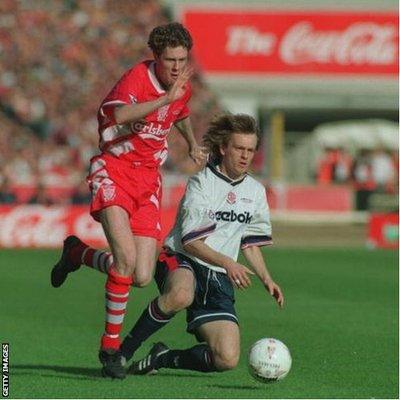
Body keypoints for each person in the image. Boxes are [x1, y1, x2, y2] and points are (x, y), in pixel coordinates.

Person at [52, 113, 283, 377]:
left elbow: (250, 243)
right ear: (223, 148)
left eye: (251, 150)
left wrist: (267, 279)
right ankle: (123, 353)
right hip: (182, 259)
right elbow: (192, 242)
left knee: (226, 358)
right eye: (239, 148)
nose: (245, 156)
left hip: (219, 280)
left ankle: (162, 358)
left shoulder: (255, 192)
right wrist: (229, 262)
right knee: (181, 294)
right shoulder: (202, 184)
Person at [50, 22, 206, 379]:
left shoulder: (180, 87)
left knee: (139, 275)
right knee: (124, 258)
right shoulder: (137, 78)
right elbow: (118, 115)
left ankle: (77, 253)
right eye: (170, 60)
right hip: (115, 170)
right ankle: (110, 349)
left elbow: (179, 112)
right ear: (156, 57)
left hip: (149, 181)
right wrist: (164, 98)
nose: (177, 67)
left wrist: (192, 143)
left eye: (182, 59)